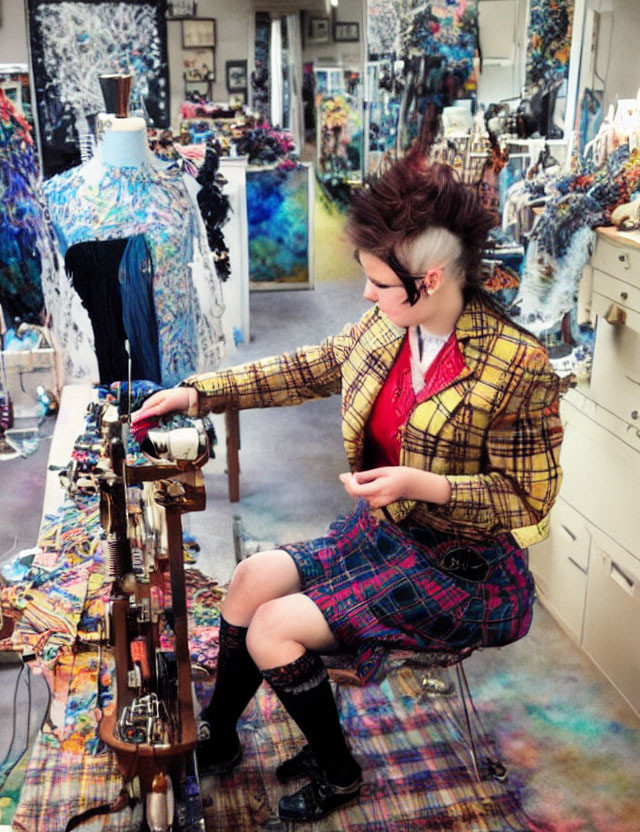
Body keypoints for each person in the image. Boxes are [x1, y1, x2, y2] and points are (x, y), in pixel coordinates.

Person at [132, 156, 564, 823]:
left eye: (376, 282)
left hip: (463, 568)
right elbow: (308, 367)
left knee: (273, 630)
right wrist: (199, 393)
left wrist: (430, 486)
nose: (364, 295)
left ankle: (339, 772)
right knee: (250, 579)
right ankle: (219, 737)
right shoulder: (389, 326)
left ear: (431, 278)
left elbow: (528, 502)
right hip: (382, 537)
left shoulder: (516, 364)